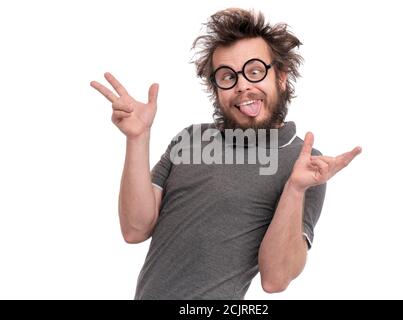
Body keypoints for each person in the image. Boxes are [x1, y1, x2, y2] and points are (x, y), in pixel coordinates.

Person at [90, 8, 362, 300]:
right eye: (228, 77)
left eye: (255, 71)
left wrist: (295, 189)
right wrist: (138, 138)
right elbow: (135, 229)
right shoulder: (190, 139)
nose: (243, 85)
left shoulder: (304, 164)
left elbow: (276, 279)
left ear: (281, 77)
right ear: (216, 89)